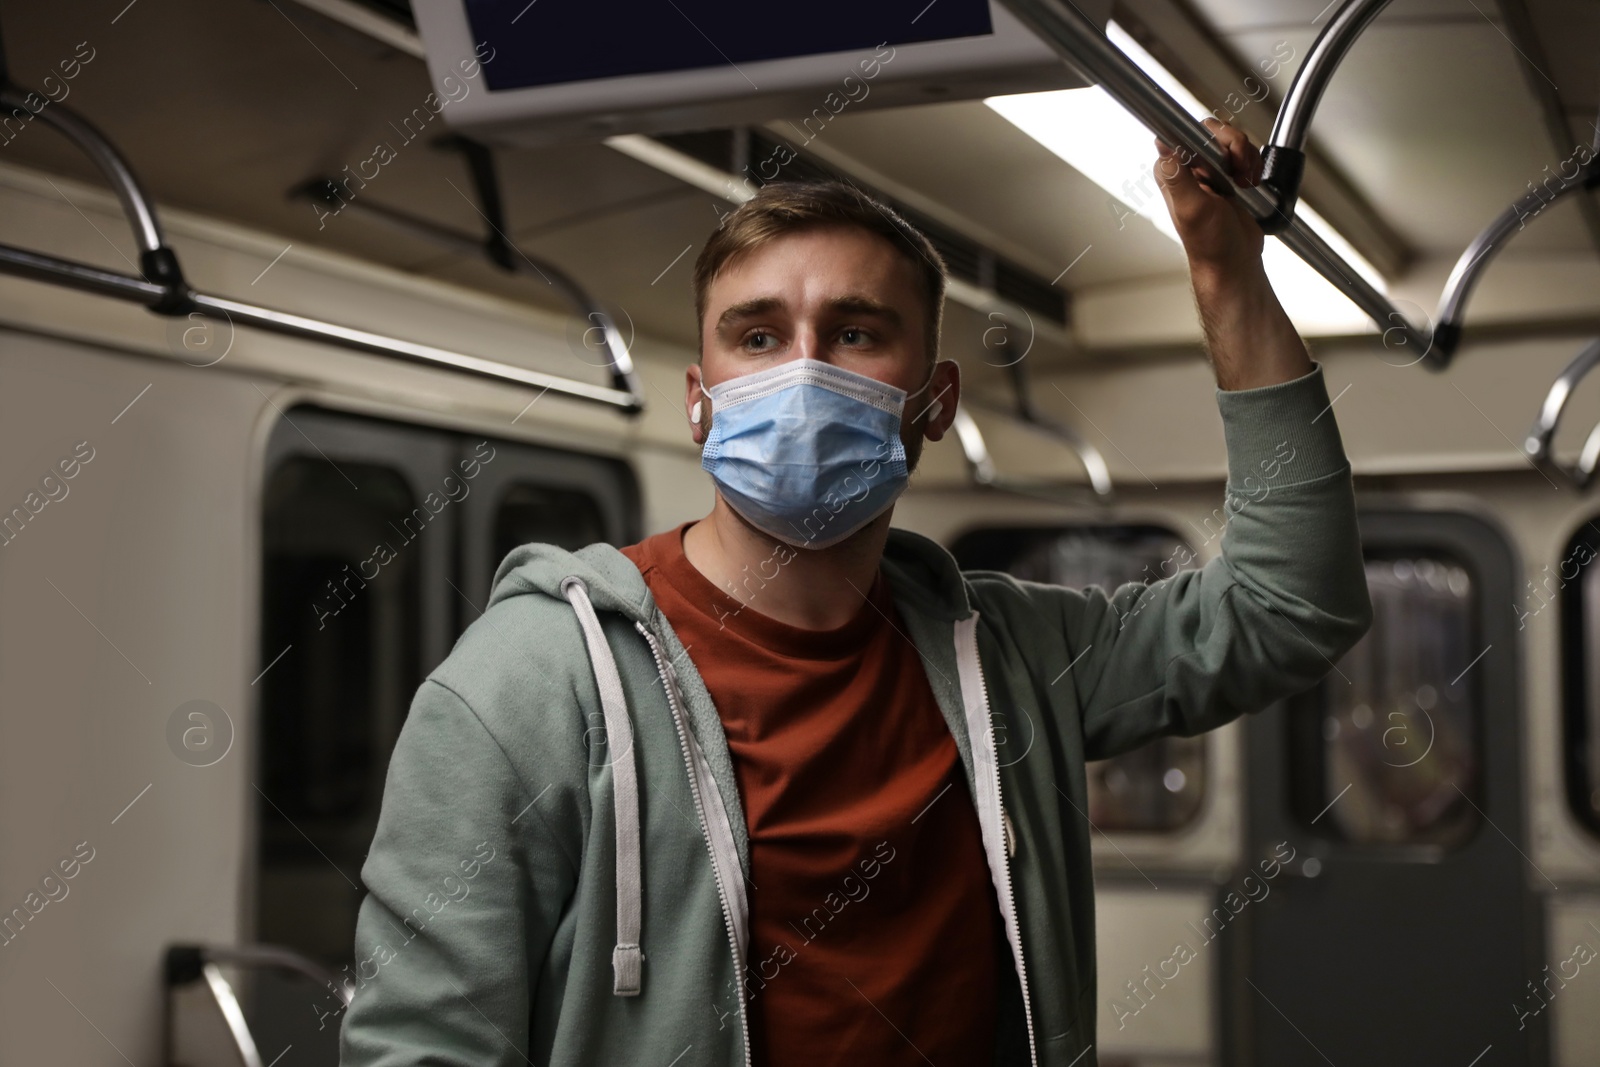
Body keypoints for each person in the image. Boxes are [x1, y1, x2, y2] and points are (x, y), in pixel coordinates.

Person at [337, 120, 1372, 1067]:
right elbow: (423, 1045)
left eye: (854, 333)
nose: (802, 375)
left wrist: (1225, 272)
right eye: (756, 336)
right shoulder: (527, 687)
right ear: (700, 405)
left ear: (933, 400)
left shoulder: (1010, 656)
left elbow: (1289, 606)